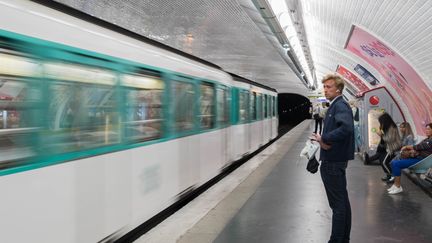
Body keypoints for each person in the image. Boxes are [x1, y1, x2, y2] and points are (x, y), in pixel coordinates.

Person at [311, 73, 354, 243]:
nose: (325, 90)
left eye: (329, 87)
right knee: (342, 203)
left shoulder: (340, 106)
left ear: (338, 89)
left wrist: (324, 139)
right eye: (325, 87)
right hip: (335, 160)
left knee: (338, 206)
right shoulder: (337, 105)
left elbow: (346, 129)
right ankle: (343, 239)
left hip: (332, 162)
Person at [388, 123, 432, 194]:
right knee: (394, 162)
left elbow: (417, 147)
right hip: (418, 159)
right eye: (426, 129)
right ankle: (395, 185)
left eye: (428, 129)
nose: (426, 131)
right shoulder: (427, 139)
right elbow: (418, 147)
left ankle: (398, 186)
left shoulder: (430, 141)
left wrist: (406, 147)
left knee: (396, 164)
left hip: (420, 161)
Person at [376, 113, 401, 182]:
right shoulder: (388, 127)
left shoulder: (392, 127)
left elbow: (390, 139)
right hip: (390, 147)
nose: (381, 123)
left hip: (393, 148)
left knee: (384, 162)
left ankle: (393, 176)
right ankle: (389, 175)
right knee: (383, 161)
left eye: (381, 122)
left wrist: (381, 135)